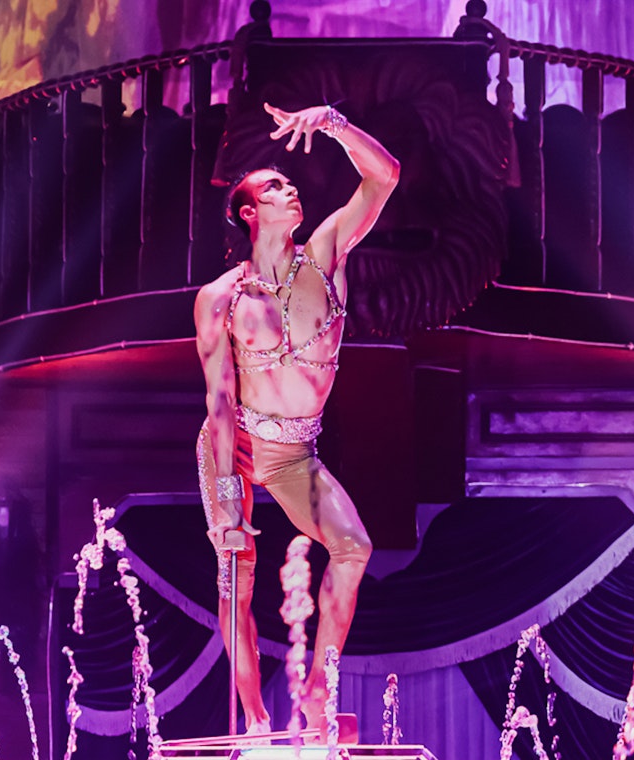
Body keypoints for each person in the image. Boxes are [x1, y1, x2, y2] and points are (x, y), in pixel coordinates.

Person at [195, 102, 399, 735]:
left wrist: (335, 124)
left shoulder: (326, 255)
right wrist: (229, 506)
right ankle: (255, 718)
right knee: (237, 578)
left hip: (294, 455)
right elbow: (221, 401)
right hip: (233, 445)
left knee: (354, 546)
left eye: (290, 182)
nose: (292, 188)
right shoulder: (220, 298)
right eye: (274, 186)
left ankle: (317, 688)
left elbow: (385, 176)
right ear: (249, 213)